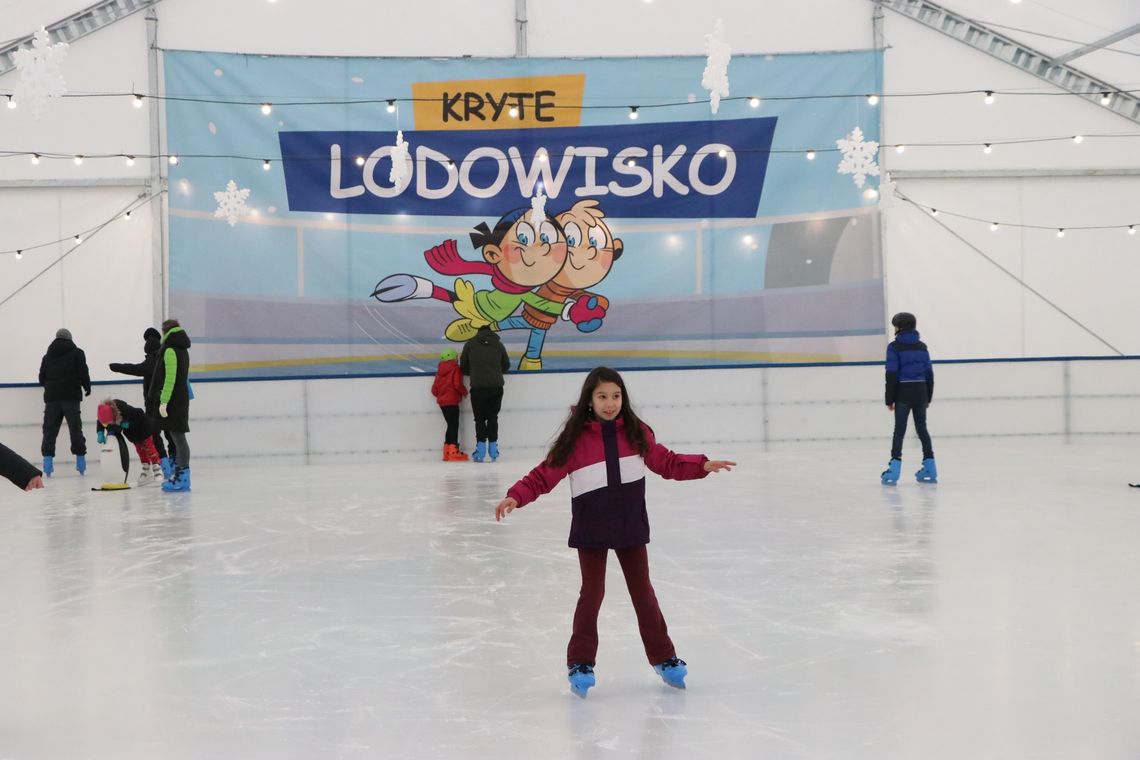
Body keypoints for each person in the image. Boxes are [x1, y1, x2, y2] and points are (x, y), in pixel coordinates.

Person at [494, 367, 736, 698]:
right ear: (589, 401)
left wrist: (701, 465)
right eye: (603, 397)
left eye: (616, 396)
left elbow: (667, 462)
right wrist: (516, 495)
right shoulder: (575, 440)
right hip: (592, 527)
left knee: (643, 593)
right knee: (591, 594)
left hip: (629, 525)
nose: (610, 403)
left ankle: (664, 658)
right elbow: (543, 475)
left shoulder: (637, 434)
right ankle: (580, 662)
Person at [109, 327, 175, 478]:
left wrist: (117, 367)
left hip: (154, 404)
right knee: (170, 433)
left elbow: (135, 369)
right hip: (167, 401)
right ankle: (173, 462)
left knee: (155, 433)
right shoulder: (164, 358)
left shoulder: (153, 360)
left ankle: (164, 464)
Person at [880, 311, 936, 484]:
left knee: (900, 430)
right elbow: (929, 373)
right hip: (920, 391)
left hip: (903, 392)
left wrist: (889, 399)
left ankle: (894, 470)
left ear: (900, 327)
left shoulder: (894, 347)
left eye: (895, 326)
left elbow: (891, 374)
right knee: (922, 429)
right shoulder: (922, 347)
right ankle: (931, 468)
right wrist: (928, 396)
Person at [38, 328, 91, 477]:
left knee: (49, 430)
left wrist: (50, 386)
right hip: (71, 397)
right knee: (75, 429)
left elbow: (41, 377)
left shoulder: (47, 356)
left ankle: (47, 465)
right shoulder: (77, 353)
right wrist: (87, 387)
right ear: (70, 338)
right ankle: (81, 462)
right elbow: (83, 372)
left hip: (52, 399)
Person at [148, 318, 192, 492]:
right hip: (180, 398)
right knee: (177, 438)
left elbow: (170, 378)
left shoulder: (170, 350)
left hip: (174, 400)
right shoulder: (182, 349)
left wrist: (164, 401)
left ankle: (183, 477)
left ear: (165, 332)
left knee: (178, 438)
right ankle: (181, 474)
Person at [459, 325, 509, 462]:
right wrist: (495, 372)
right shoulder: (498, 344)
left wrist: (475, 372)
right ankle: (493, 449)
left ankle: (480, 449)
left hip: (478, 387)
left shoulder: (470, 344)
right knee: (493, 417)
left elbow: (463, 366)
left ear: (478, 332)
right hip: (496, 386)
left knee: (479, 418)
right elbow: (506, 365)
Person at [96, 399, 163, 486]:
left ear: (113, 415)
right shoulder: (103, 412)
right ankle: (147, 471)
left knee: (149, 448)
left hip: (143, 429)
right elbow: (101, 422)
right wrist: (100, 432)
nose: (107, 425)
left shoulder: (123, 409)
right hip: (133, 434)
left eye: (109, 423)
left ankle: (157, 468)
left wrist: (129, 424)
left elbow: (140, 413)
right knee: (140, 451)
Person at [432, 348, 469, 461]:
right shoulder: (455, 369)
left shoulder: (439, 371)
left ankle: (447, 451)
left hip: (443, 403)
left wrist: (441, 395)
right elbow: (457, 384)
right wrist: (464, 392)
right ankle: (453, 451)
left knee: (450, 425)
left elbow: (434, 390)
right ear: (454, 358)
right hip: (452, 401)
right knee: (454, 425)